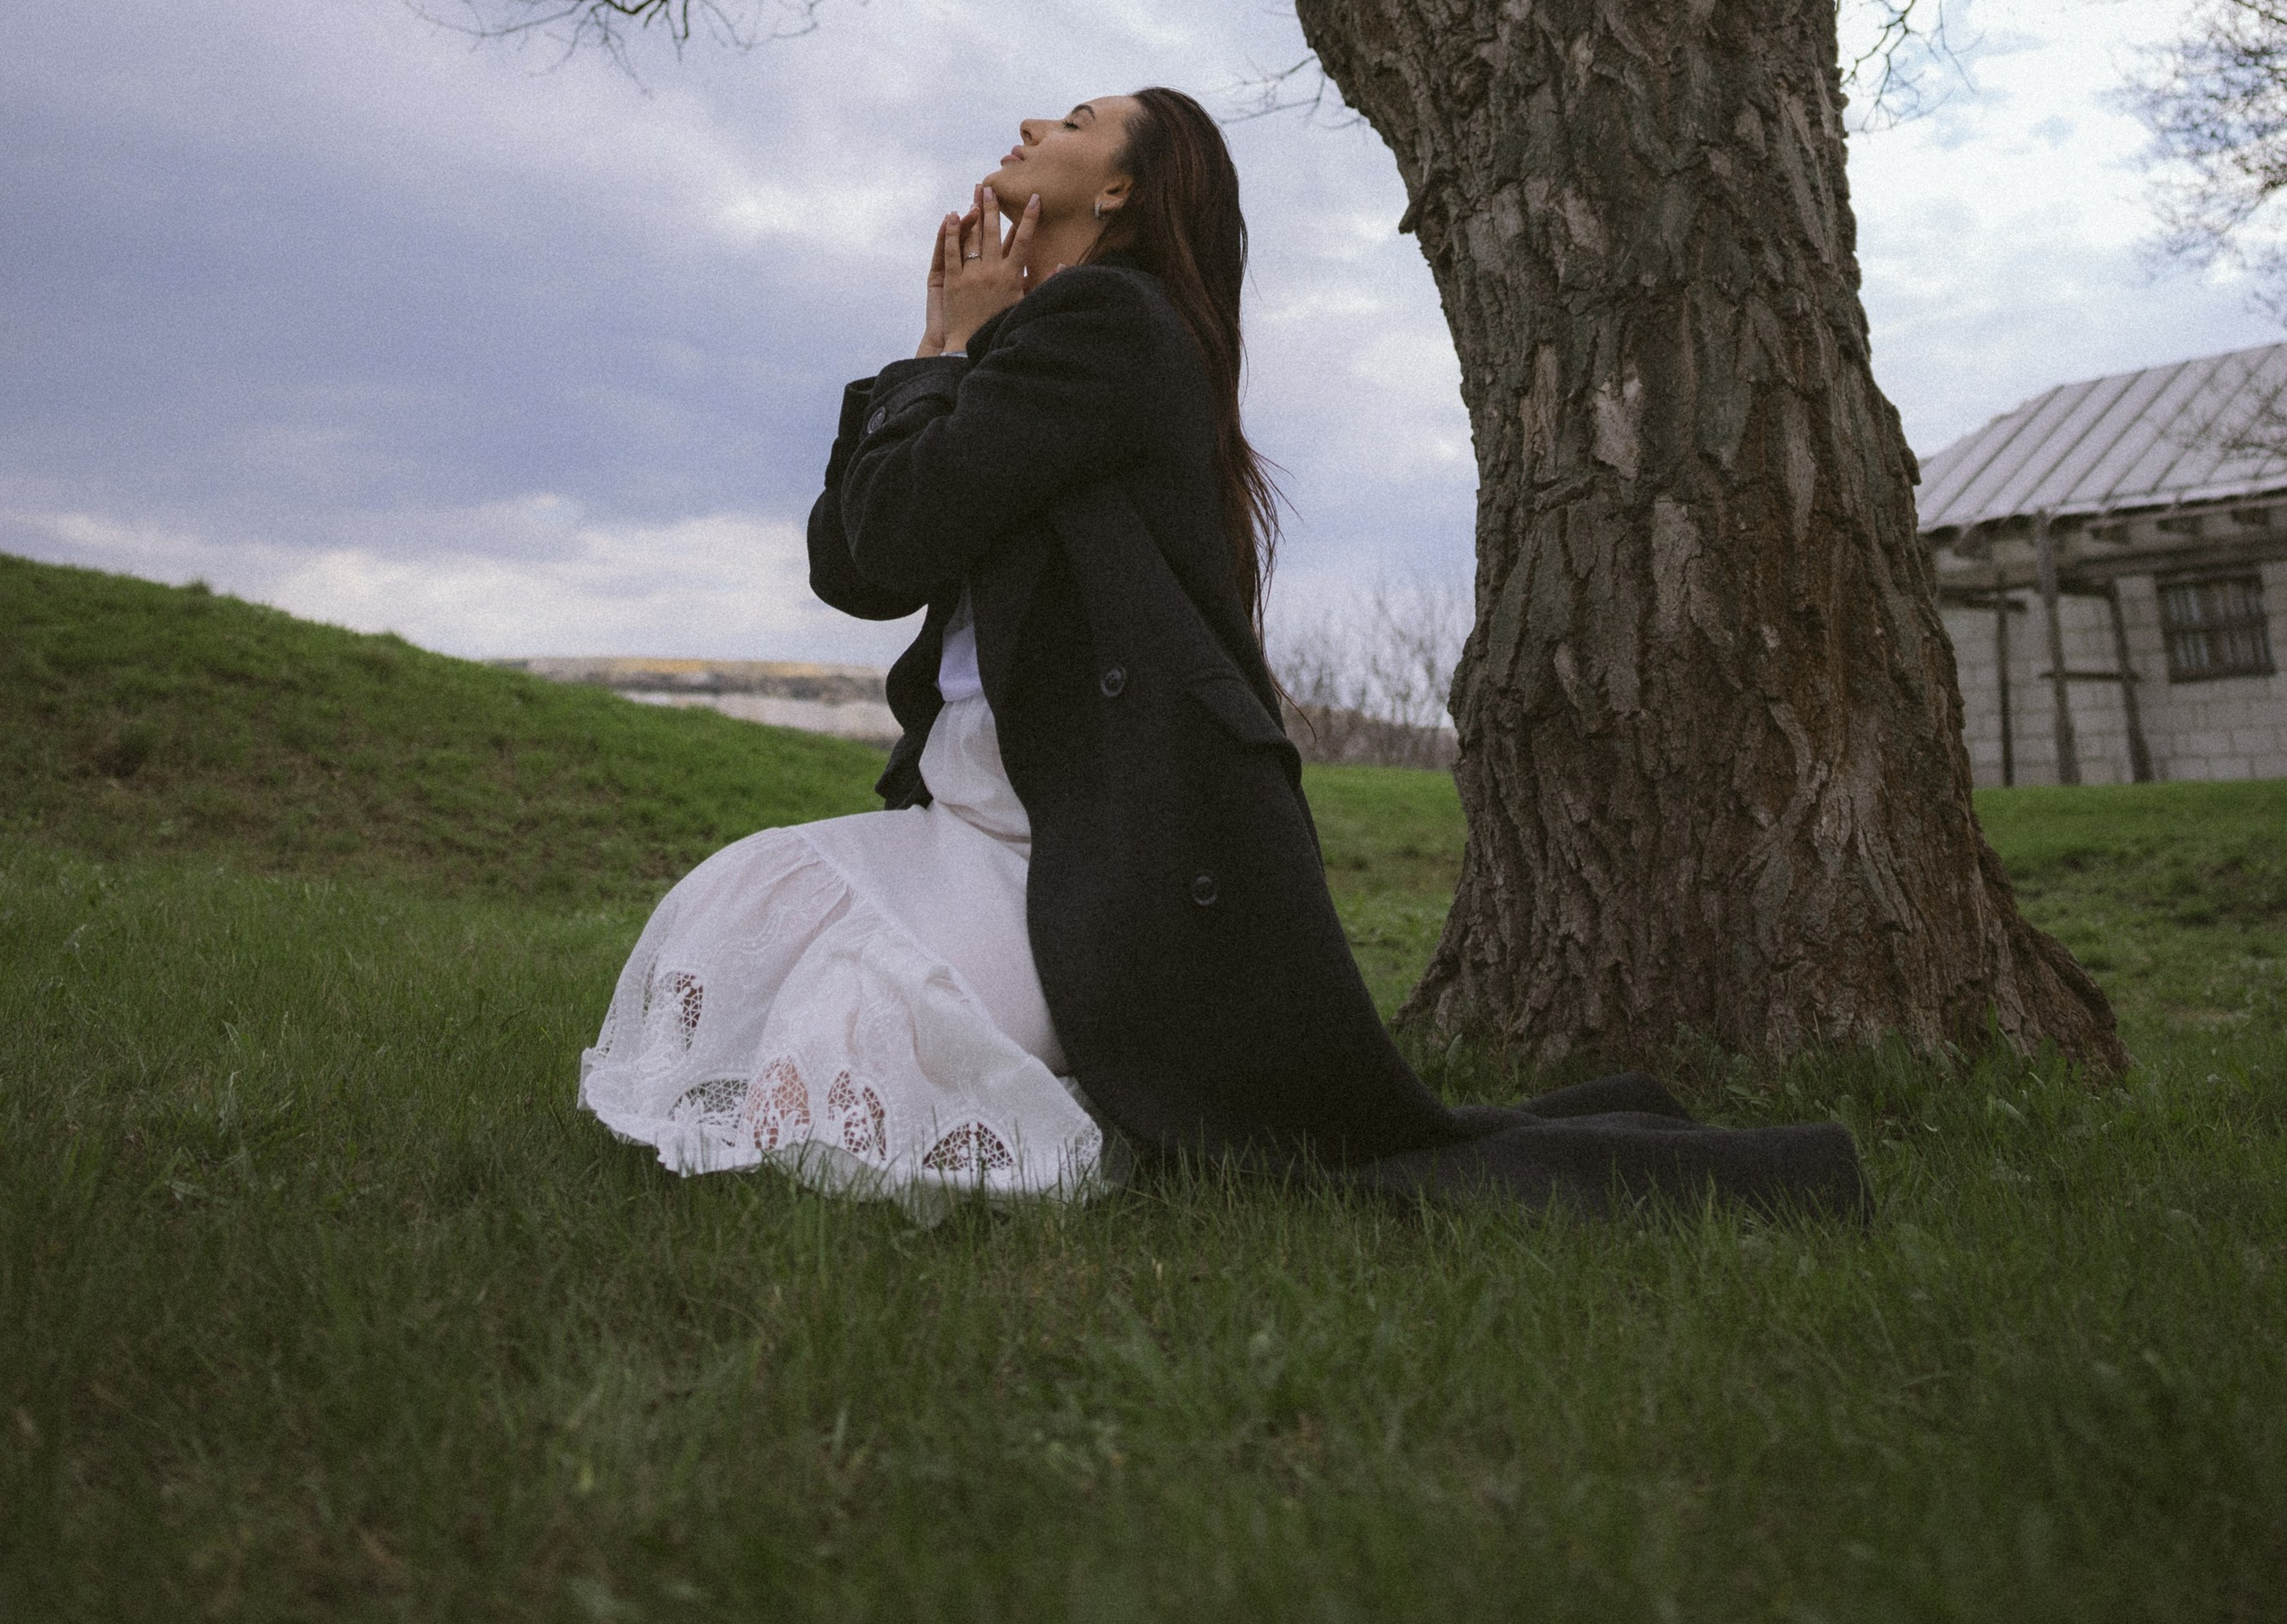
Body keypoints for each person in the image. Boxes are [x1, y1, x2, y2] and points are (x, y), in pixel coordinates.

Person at [580, 88, 1867, 1224]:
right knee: (737, 908)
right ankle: (1064, 1065)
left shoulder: (1110, 324)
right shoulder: (1031, 354)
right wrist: (935, 349)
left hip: (1096, 849)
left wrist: (953, 354)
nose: (1031, 125)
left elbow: (895, 523)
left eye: (1075, 123)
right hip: (972, 819)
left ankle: (1082, 1084)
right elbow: (857, 569)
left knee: (851, 1035)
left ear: (1121, 189)